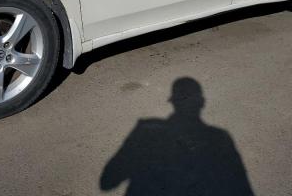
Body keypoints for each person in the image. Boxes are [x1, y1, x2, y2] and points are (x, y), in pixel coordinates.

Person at [100, 77, 254, 195]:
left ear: (173, 102)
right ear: (202, 102)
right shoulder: (220, 138)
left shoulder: (146, 131)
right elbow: (242, 188)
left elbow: (107, 181)